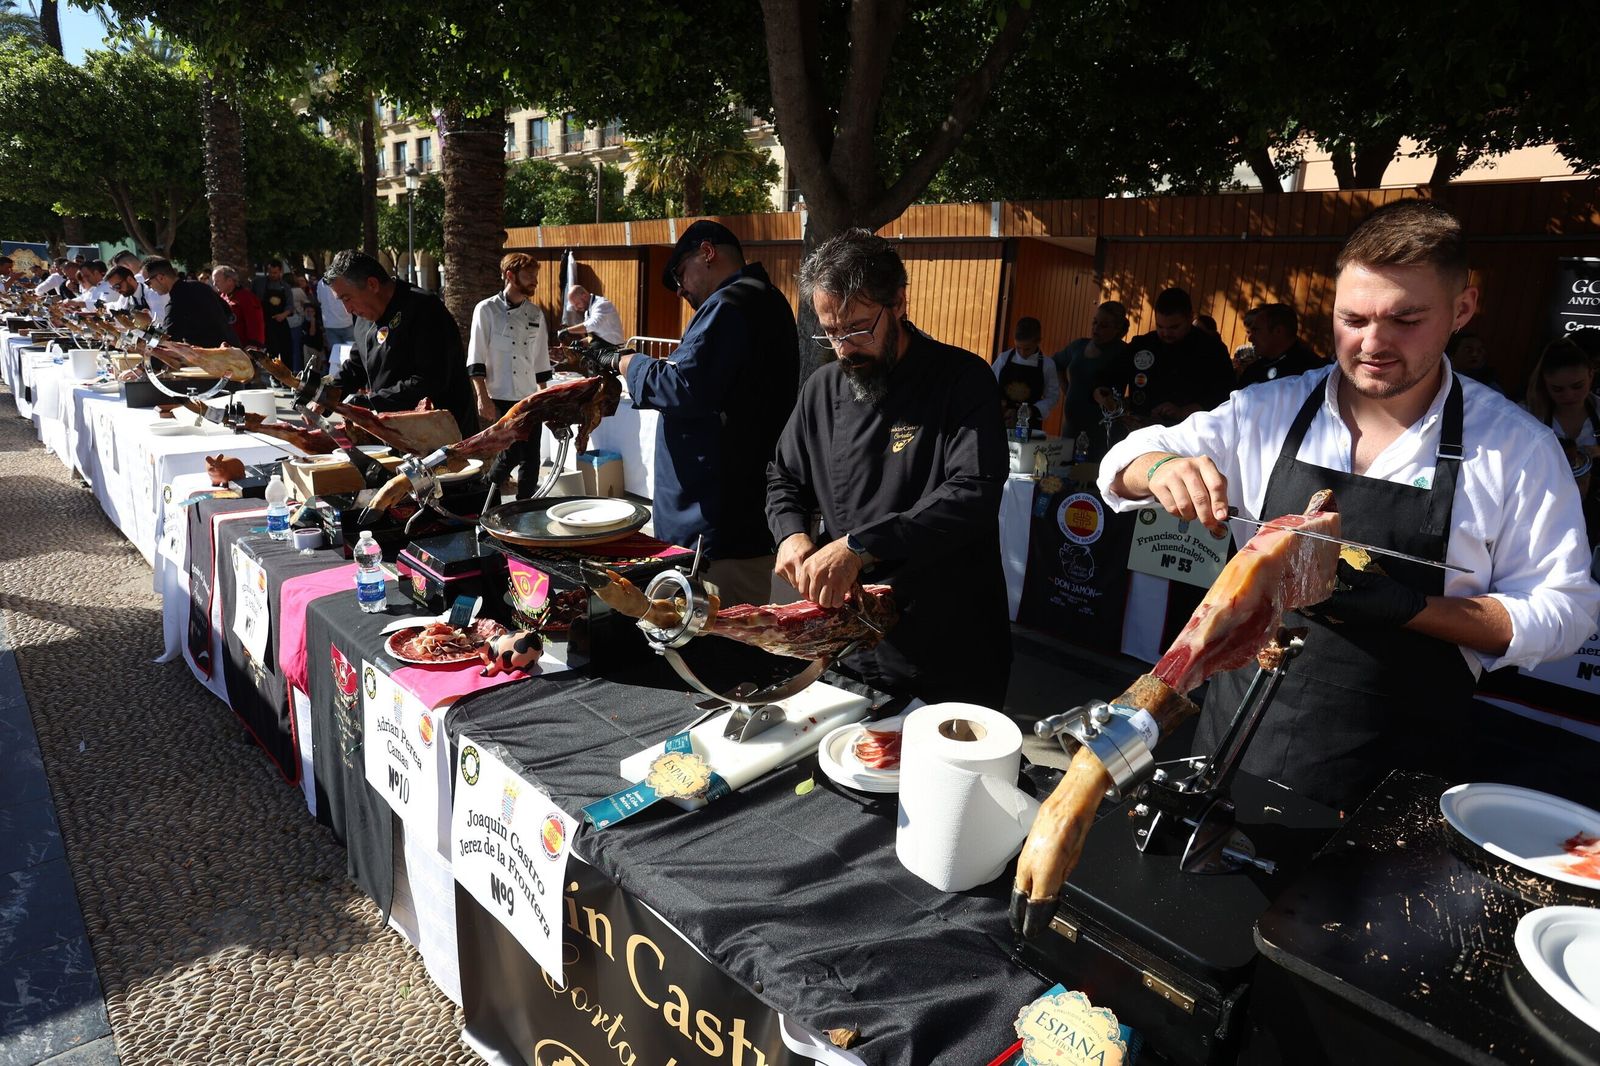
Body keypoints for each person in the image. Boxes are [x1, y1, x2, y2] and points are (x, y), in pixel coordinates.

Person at [1012, 199, 1600, 932]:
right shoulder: (1269, 411)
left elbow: (1567, 611)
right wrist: (1161, 464)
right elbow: (1121, 465)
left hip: (1394, 781)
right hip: (1231, 753)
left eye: (1405, 320)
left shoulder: (1514, 449)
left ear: (1463, 308)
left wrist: (1409, 608)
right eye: (1353, 319)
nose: (1373, 343)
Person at [767, 229, 1011, 707]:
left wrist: (860, 546)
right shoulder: (821, 389)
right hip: (850, 639)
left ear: (899, 301)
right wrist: (790, 534)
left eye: (859, 327)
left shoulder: (962, 380)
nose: (844, 347)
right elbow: (783, 477)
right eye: (831, 331)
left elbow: (973, 493)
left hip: (946, 636)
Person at [579, 220, 797, 606]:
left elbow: (681, 386)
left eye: (680, 273)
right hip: (722, 518)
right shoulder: (755, 300)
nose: (679, 289)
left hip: (720, 528)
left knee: (717, 647)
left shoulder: (734, 303)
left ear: (707, 253)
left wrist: (622, 359)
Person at [323, 249, 476, 437]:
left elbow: (432, 379)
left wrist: (372, 402)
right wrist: (326, 393)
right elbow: (357, 365)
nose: (347, 310)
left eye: (347, 298)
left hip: (441, 435)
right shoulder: (364, 318)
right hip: (394, 434)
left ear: (372, 284)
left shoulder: (424, 308)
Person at [468, 253, 552, 500]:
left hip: (529, 398)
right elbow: (476, 356)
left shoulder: (535, 314)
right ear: (510, 276)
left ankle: (525, 510)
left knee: (531, 459)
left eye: (535, 276)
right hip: (500, 396)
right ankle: (488, 503)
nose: (534, 282)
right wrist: (482, 397)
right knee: (510, 454)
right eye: (529, 276)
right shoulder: (486, 310)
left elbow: (540, 361)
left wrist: (544, 397)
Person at [1094, 287, 1233, 427]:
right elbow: (1110, 375)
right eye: (1160, 326)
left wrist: (1184, 411)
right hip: (1142, 430)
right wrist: (1102, 392)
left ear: (1190, 318)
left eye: (1174, 327)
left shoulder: (1212, 349)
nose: (1166, 333)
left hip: (1190, 433)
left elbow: (1224, 396)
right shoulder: (1143, 344)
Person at [1526, 336, 1600, 546]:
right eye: (1557, 389)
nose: (1569, 395)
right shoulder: (1529, 415)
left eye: (1577, 386)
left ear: (1591, 375)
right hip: (1542, 516)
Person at [1053, 301, 1131, 441]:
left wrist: (1119, 404)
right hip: (1071, 429)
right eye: (1094, 322)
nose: (1096, 328)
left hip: (1102, 432)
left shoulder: (1124, 353)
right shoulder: (1078, 346)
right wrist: (1067, 388)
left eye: (1104, 325)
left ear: (1117, 328)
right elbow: (1057, 362)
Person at [142, 258, 238, 347]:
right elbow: (229, 315)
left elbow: (165, 343)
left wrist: (147, 327)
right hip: (236, 353)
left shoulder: (177, 302)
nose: (149, 287)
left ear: (160, 278)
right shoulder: (200, 286)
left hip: (216, 360)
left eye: (148, 283)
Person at [1234, 303, 1325, 389]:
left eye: (1257, 330)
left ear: (1278, 331)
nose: (1250, 338)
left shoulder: (1311, 371)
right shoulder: (1253, 370)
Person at [992, 316, 1060, 430]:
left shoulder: (1047, 365)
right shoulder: (1003, 359)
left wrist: (1033, 411)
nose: (1022, 353)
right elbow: (990, 384)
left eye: (1027, 349)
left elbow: (1052, 396)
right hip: (1001, 420)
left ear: (1038, 341)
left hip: (1029, 425)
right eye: (1018, 348)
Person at [212, 266, 266, 348]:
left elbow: (256, 323)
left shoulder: (247, 298)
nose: (214, 284)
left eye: (217, 281)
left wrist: (254, 344)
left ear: (229, 281)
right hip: (227, 347)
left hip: (244, 348)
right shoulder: (222, 298)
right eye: (214, 281)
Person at [253, 259, 295, 362]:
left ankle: (287, 374)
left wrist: (283, 315)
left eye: (275, 273)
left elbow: (290, 305)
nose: (272, 275)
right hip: (266, 323)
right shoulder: (259, 283)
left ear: (280, 271)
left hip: (281, 322)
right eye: (270, 272)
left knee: (286, 350)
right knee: (271, 352)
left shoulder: (285, 287)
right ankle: (272, 375)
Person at [560, 284, 625, 345]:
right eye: (574, 306)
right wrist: (579, 343)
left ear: (584, 296)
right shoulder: (587, 312)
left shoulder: (602, 304)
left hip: (615, 350)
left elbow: (593, 324)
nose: (576, 308)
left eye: (577, 304)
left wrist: (567, 331)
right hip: (602, 349)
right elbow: (592, 338)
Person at [1445, 329, 1500, 393]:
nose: (1474, 354)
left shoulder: (1490, 386)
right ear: (1452, 354)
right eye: (1468, 350)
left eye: (1479, 350)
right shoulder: (1444, 380)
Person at [316, 271, 356, 349]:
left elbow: (319, 299)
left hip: (330, 324)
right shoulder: (343, 280)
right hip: (346, 322)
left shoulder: (321, 283)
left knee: (336, 353)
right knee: (352, 351)